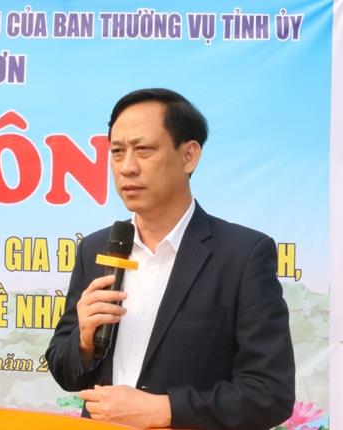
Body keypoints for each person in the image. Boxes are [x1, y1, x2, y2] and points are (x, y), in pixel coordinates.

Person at [45, 88, 295, 429]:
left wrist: (165, 410)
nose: (127, 167)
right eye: (117, 152)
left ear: (188, 156)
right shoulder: (96, 248)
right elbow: (63, 368)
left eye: (143, 150)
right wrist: (84, 340)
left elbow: (270, 393)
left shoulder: (243, 255)